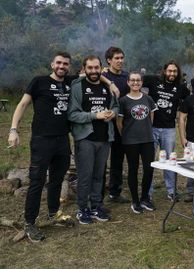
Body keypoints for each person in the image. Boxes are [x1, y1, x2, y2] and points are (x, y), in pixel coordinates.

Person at [8, 52, 75, 242]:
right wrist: (13, 130)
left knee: (57, 179)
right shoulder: (39, 81)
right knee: (37, 181)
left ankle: (54, 214)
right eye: (59, 63)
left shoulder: (70, 82)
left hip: (62, 139)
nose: (62, 66)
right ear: (52, 64)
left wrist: (109, 82)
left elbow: (93, 71)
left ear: (69, 67)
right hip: (42, 140)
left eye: (66, 64)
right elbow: (22, 105)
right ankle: (30, 223)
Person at [68, 55, 118, 225]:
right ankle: (82, 209)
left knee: (99, 175)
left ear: (101, 68)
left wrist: (113, 114)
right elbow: (72, 114)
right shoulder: (77, 87)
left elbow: (116, 106)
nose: (94, 71)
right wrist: (95, 115)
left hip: (104, 138)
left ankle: (96, 206)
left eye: (97, 68)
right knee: (85, 176)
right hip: (85, 138)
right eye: (90, 68)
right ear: (84, 69)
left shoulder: (106, 86)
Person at [143, 60, 189, 202]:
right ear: (164, 71)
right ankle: (147, 192)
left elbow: (192, 99)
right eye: (169, 71)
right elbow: (133, 82)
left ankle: (171, 191)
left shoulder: (181, 87)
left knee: (170, 160)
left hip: (169, 128)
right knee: (149, 160)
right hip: (151, 127)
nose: (172, 74)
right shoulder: (153, 80)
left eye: (175, 71)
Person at [117, 72, 157, 214]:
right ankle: (135, 200)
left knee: (149, 169)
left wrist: (145, 130)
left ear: (141, 82)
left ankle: (145, 197)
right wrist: (127, 135)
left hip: (147, 140)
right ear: (128, 82)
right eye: (132, 80)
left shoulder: (148, 99)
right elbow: (119, 122)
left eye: (138, 80)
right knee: (133, 170)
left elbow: (151, 117)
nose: (135, 83)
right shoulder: (123, 101)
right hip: (130, 141)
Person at [102, 46, 130, 204]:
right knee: (101, 159)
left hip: (122, 123)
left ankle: (114, 192)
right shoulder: (103, 75)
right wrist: (109, 82)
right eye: (116, 58)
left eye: (121, 58)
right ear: (109, 60)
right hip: (104, 122)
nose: (120, 61)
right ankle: (97, 193)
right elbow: (87, 73)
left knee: (118, 158)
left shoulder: (126, 76)